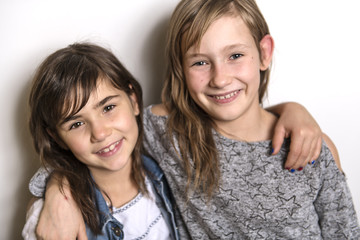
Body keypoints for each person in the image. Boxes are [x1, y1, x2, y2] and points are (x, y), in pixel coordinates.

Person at [25, 1, 334, 239]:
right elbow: (75, 153)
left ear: (264, 53)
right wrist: (57, 185)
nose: (221, 78)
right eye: (200, 62)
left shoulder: (309, 147)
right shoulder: (166, 133)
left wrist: (291, 109)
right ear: (181, 70)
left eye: (235, 56)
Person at [22, 43, 180, 239]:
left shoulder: (165, 164)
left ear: (133, 101)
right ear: (57, 139)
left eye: (108, 108)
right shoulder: (55, 219)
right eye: (76, 124)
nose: (100, 133)